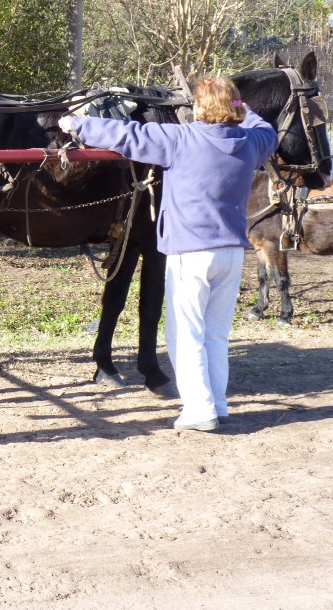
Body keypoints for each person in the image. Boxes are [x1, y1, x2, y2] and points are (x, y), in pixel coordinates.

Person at [58, 77, 278, 431]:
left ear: (199, 108)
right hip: (231, 254)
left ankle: (199, 410)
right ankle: (217, 403)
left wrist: (77, 123)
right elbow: (267, 130)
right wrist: (241, 108)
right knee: (215, 335)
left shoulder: (181, 139)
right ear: (234, 107)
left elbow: (126, 135)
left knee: (186, 334)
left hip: (190, 254)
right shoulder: (251, 142)